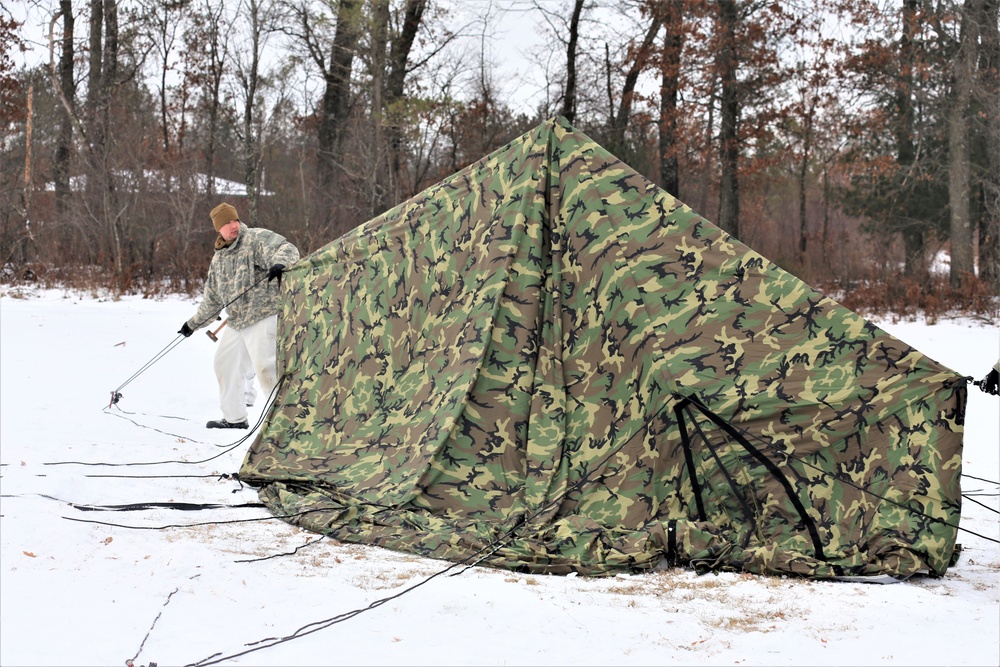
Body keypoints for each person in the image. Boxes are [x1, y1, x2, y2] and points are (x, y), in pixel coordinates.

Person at [179, 202, 300, 428]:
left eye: (234, 220)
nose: (233, 226)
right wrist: (192, 325)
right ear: (218, 229)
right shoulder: (218, 260)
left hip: (264, 315)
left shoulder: (255, 238)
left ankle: (285, 425)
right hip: (237, 322)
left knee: (266, 368)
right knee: (224, 364)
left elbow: (288, 248)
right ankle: (235, 419)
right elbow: (212, 301)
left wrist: (280, 263)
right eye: (226, 223)